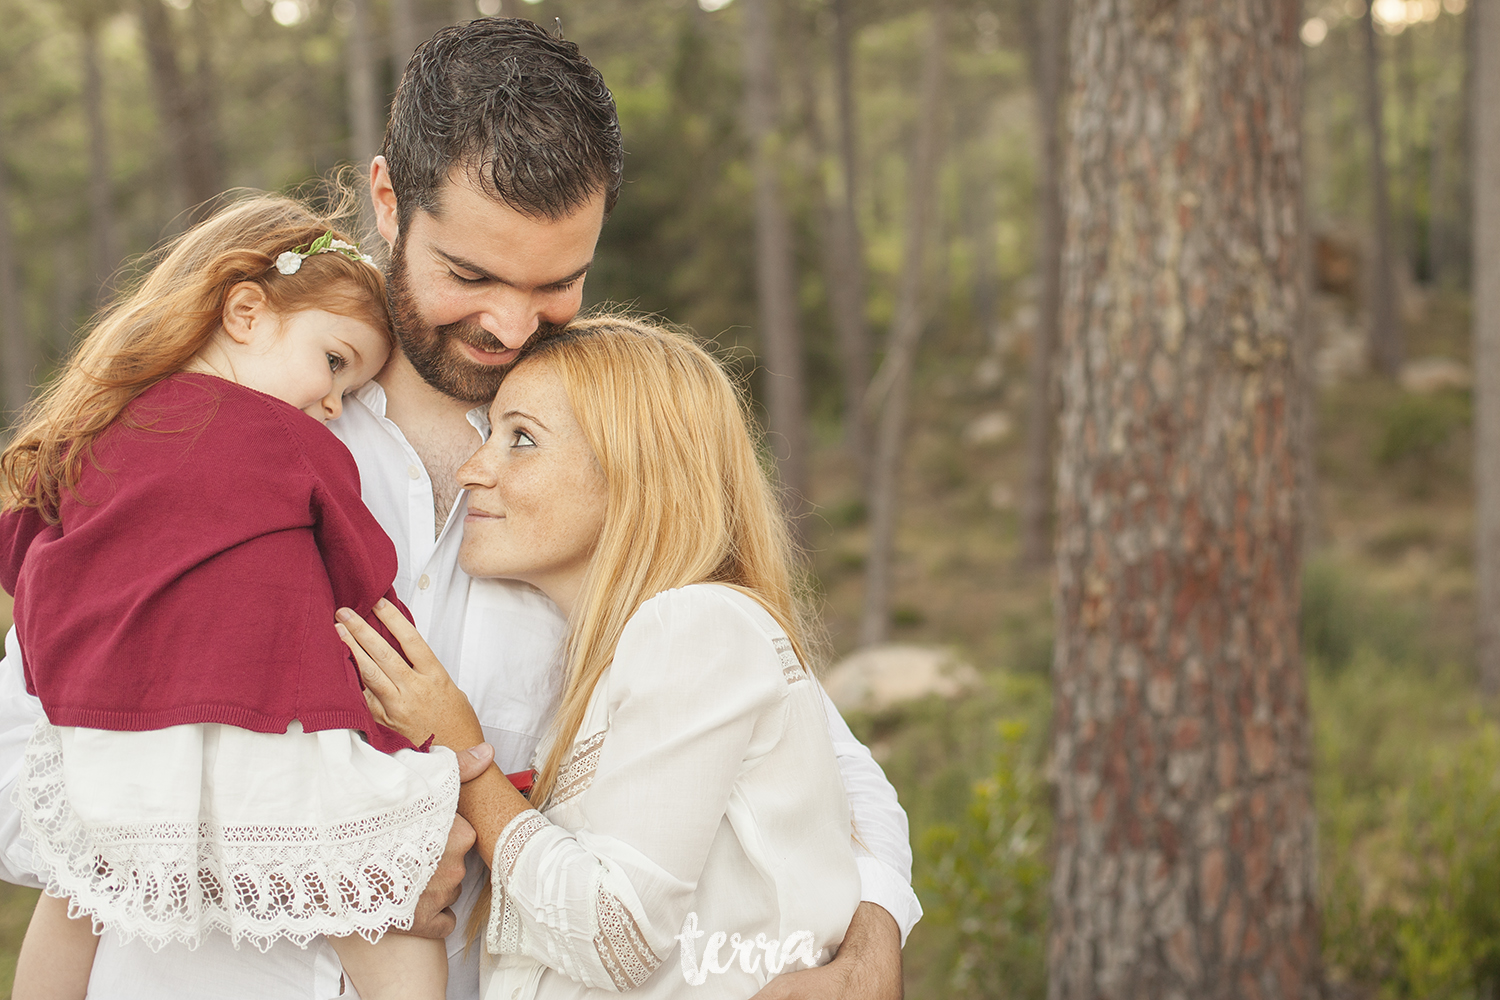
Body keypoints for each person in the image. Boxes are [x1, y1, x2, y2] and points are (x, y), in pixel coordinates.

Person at [0, 17, 919, 999]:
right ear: (389, 202)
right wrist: (339, 851)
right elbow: (24, 771)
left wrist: (870, 928)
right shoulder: (215, 437)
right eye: (471, 275)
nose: (510, 324)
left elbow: (810, 741)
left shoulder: (601, 479)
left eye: (557, 282)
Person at [0, 197, 460, 1000]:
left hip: (121, 729)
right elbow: (360, 570)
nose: (334, 406)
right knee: (387, 917)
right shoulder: (289, 440)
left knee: (81, 895)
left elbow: (34, 562)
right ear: (246, 312)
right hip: (277, 726)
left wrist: (66, 679)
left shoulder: (98, 434)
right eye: (336, 363)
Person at [337, 316, 863, 1000]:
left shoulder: (697, 626)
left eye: (520, 439)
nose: (473, 471)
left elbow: (619, 937)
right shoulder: (613, 665)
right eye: (487, 434)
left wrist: (460, 748)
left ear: (635, 471)